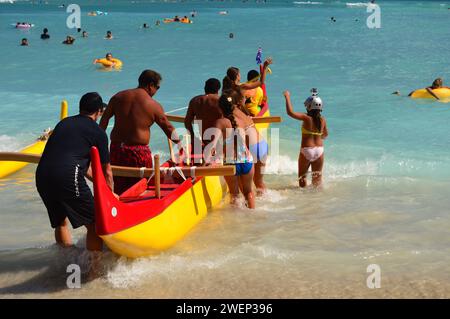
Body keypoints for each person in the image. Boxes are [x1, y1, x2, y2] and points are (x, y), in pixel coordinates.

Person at [35, 92, 115, 252]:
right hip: (66, 176)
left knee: (60, 222)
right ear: (99, 111)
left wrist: (99, 185)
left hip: (42, 175)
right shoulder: (98, 132)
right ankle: (94, 271)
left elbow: (79, 165)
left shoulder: (63, 123)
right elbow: (107, 172)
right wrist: (111, 195)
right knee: (95, 223)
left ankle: (65, 263)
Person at [99, 70, 181, 195]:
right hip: (138, 153)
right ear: (150, 85)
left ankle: (118, 208)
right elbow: (168, 129)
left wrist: (99, 143)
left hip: (116, 149)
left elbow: (104, 120)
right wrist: (181, 145)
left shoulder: (118, 97)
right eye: (157, 87)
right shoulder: (153, 105)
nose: (156, 91)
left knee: (120, 187)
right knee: (141, 187)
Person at [207, 89, 255, 209]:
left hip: (231, 164)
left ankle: (237, 223)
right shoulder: (241, 120)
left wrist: (206, 161)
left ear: (220, 108)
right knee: (248, 192)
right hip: (247, 160)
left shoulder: (220, 122)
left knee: (234, 195)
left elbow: (212, 144)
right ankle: (253, 217)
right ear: (233, 106)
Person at [283, 89, 328, 188]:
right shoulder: (323, 120)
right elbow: (325, 135)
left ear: (309, 107)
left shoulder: (306, 118)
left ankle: (304, 201)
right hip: (319, 150)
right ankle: (316, 201)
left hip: (307, 150)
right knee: (317, 181)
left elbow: (290, 112)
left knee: (302, 179)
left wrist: (287, 97)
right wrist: (317, 135)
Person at [184, 78, 223, 157]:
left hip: (203, 141)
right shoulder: (221, 101)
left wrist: (193, 138)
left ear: (205, 88)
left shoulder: (195, 101)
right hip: (219, 142)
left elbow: (187, 122)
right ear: (218, 89)